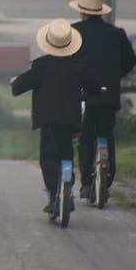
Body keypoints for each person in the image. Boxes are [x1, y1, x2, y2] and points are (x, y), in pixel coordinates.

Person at [10, 18, 102, 213]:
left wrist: (15, 82)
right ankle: (68, 187)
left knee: (48, 158)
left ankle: (54, 195)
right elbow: (94, 87)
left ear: (48, 42)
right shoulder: (79, 67)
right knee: (66, 152)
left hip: (48, 120)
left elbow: (18, 88)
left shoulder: (41, 66)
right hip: (70, 120)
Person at [68, 0, 136, 200]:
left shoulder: (74, 31)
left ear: (82, 11)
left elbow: (67, 60)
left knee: (87, 135)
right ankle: (107, 179)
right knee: (107, 133)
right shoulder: (117, 34)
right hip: (110, 94)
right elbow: (130, 61)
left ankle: (87, 183)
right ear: (101, 12)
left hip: (85, 95)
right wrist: (116, 75)